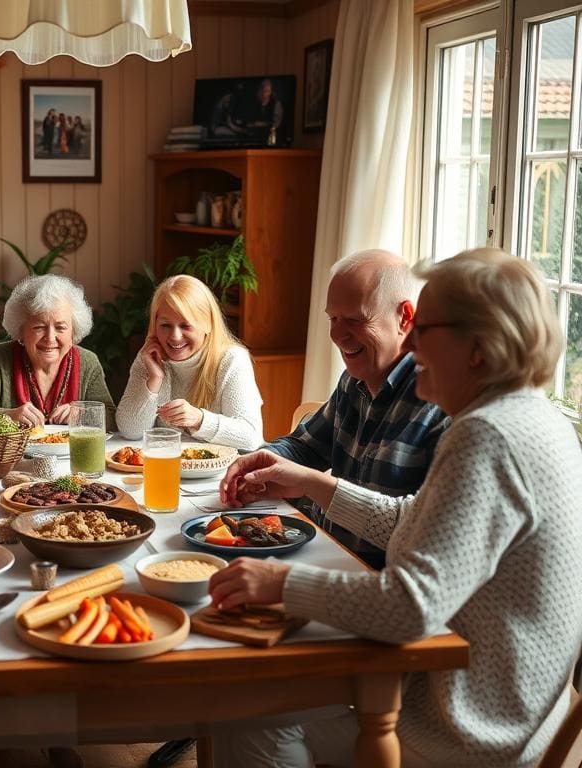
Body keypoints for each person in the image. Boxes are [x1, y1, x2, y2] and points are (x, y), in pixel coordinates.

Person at [210, 248, 582, 767]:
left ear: (478, 348)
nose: (411, 343)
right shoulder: (531, 415)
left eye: (424, 330)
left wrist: (280, 585)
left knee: (248, 714)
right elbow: (417, 521)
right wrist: (319, 486)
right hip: (509, 705)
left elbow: (409, 609)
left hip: (469, 725)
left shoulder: (486, 435)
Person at [271, 250, 449, 568]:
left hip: (370, 579)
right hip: (325, 554)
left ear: (405, 318)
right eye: (333, 319)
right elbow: (302, 447)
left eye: (355, 320)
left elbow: (420, 535)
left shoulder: (441, 401)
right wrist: (258, 463)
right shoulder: (353, 381)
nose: (337, 335)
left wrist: (307, 483)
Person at [116, 274, 263, 450]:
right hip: (166, 465)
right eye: (165, 325)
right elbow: (130, 430)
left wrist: (199, 420)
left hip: (222, 473)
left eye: (186, 326)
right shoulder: (150, 356)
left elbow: (251, 437)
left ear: (208, 324)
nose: (175, 337)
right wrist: (154, 379)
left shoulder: (232, 359)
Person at [0, 274, 116, 430]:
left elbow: (111, 417)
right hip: (12, 458)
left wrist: (82, 414)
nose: (50, 337)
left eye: (60, 327)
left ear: (73, 332)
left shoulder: (87, 362)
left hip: (71, 456)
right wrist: (7, 415)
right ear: (21, 331)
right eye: (39, 327)